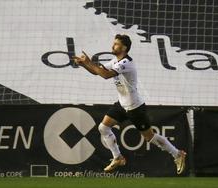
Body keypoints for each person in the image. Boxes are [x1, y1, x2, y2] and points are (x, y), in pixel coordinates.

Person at [73, 34, 186, 174]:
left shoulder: (126, 63)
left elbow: (105, 75)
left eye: (116, 44)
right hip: (121, 104)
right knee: (103, 127)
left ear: (124, 47)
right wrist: (85, 64)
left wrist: (89, 63)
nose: (112, 46)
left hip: (135, 107)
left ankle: (177, 154)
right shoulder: (115, 60)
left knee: (149, 137)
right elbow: (97, 72)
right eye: (113, 43)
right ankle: (118, 157)